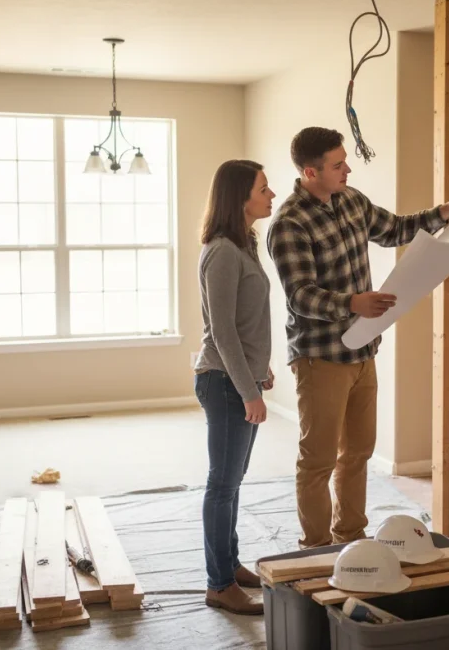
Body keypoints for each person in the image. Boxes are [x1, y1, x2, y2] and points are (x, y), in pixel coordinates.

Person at [267, 127, 449, 549]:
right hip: (321, 356)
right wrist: (353, 303)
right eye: (337, 164)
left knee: (359, 452)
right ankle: (316, 546)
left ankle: (351, 538)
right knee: (319, 460)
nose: (347, 168)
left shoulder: (351, 200)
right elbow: (300, 296)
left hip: (364, 350)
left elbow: (396, 229)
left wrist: (446, 211)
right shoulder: (289, 223)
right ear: (310, 172)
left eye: (345, 160)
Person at [193, 159, 276, 615]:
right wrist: (249, 391)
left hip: (238, 376)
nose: (271, 194)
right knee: (221, 485)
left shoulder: (245, 244)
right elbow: (222, 331)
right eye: (264, 188)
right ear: (240, 196)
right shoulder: (222, 250)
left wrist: (259, 369)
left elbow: (246, 324)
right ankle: (218, 584)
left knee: (232, 482)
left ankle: (230, 564)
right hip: (223, 383)